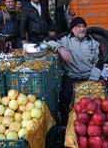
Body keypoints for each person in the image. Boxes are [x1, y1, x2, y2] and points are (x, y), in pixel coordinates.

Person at [45, 16, 104, 147]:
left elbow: (99, 61)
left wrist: (92, 79)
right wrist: (60, 49)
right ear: (72, 29)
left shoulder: (93, 42)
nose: (82, 29)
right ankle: (69, 119)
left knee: (100, 97)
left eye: (84, 26)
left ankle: (96, 120)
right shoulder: (64, 38)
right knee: (65, 97)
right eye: (79, 26)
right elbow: (47, 40)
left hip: (89, 76)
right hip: (72, 76)